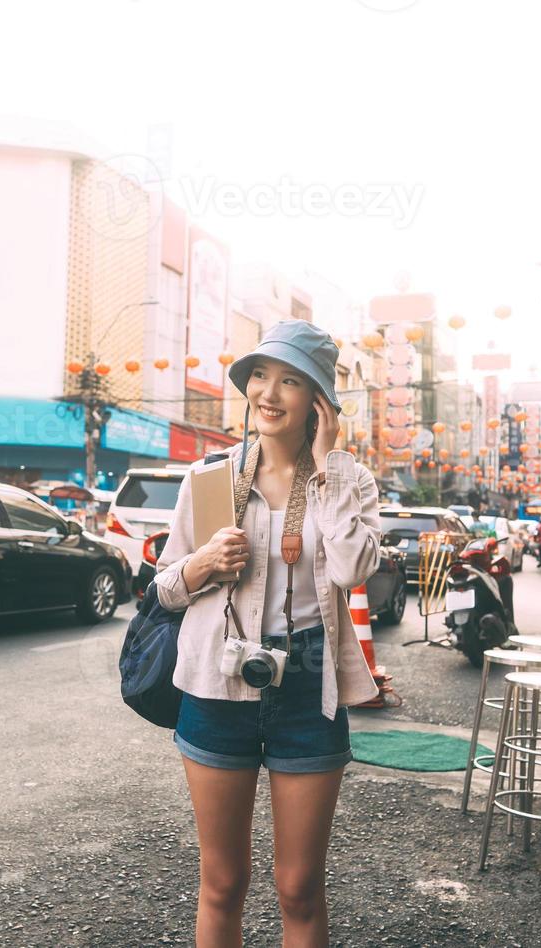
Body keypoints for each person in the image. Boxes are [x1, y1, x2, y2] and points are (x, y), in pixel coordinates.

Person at [155, 319, 380, 946]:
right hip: (216, 684)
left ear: (318, 401)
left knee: (299, 888)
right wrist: (203, 563)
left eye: (289, 380)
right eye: (260, 376)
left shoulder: (350, 479)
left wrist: (327, 470)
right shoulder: (210, 478)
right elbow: (165, 587)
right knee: (222, 882)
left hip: (309, 687)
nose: (268, 393)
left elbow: (353, 568)